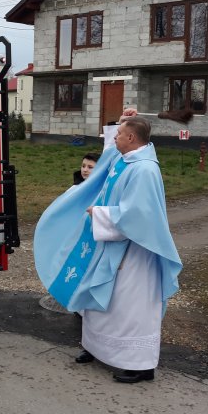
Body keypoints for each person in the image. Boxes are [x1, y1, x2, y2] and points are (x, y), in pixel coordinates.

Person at [33, 109, 181, 384]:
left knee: (128, 307)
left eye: (120, 134)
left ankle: (140, 365)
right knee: (98, 297)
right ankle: (96, 348)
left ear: (132, 138)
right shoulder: (126, 158)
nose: (115, 139)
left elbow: (139, 216)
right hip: (110, 244)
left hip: (135, 252)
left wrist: (101, 214)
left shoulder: (144, 170)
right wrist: (122, 119)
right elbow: (111, 150)